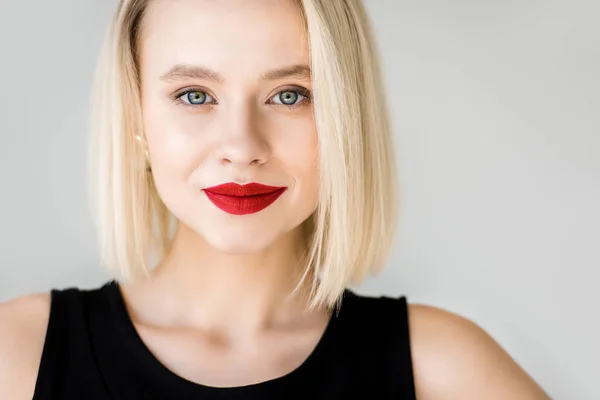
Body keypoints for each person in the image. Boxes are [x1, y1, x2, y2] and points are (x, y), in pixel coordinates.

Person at [0, 0, 550, 398]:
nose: (242, 148)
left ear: (344, 117)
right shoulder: (15, 358)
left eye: (290, 95)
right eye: (195, 95)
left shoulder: (445, 369)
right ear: (136, 117)